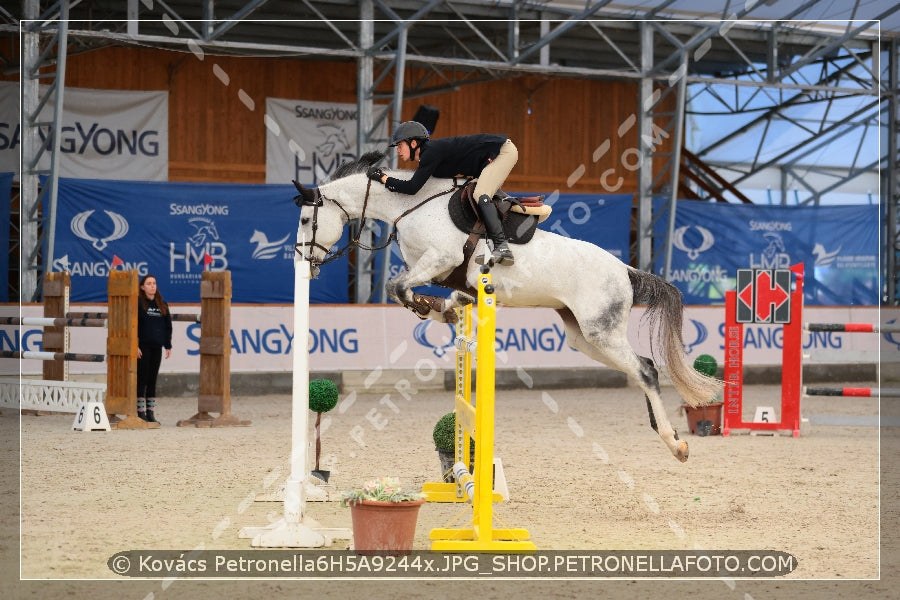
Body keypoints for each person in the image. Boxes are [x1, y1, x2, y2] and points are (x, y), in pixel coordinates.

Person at [367, 121, 518, 266]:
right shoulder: (429, 156)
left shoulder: (430, 153)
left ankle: (502, 248)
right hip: (489, 159)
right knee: (474, 195)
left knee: (480, 194)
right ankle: (489, 245)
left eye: (400, 145)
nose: (397, 150)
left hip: (503, 151)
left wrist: (383, 178)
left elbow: (412, 188)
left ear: (413, 143)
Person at [136, 274, 172, 423]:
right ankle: (140, 412)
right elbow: (134, 325)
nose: (152, 286)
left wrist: (168, 345)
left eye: (154, 283)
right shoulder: (138, 303)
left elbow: (167, 326)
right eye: (149, 283)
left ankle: (150, 413)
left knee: (152, 380)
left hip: (157, 346)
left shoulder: (162, 304)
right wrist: (135, 345)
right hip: (143, 347)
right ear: (142, 287)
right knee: (142, 379)